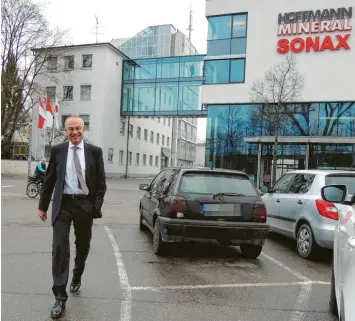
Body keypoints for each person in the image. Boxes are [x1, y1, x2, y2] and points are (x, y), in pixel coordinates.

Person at [38, 115, 107, 319]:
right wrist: (43, 206)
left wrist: (95, 205)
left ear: (83, 129)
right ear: (65, 131)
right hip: (63, 205)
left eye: (78, 128)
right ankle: (60, 297)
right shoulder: (58, 151)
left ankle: (77, 275)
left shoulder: (94, 152)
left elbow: (101, 184)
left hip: (85, 205)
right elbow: (49, 180)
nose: (75, 132)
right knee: (60, 247)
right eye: (70, 129)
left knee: (83, 246)